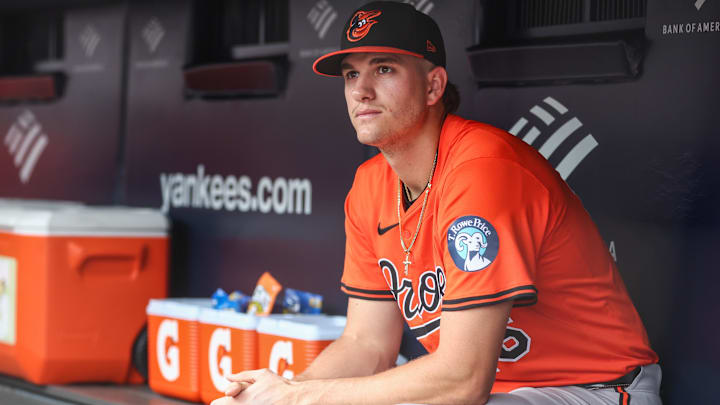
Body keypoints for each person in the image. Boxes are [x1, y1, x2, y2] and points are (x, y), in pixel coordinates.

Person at [212, 2, 661, 404]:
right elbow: (367, 345)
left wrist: (299, 397)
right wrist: (282, 396)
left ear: (433, 87)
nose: (360, 90)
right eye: (352, 73)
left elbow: (462, 381)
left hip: (594, 388)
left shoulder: (483, 169)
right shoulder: (368, 186)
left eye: (383, 69)